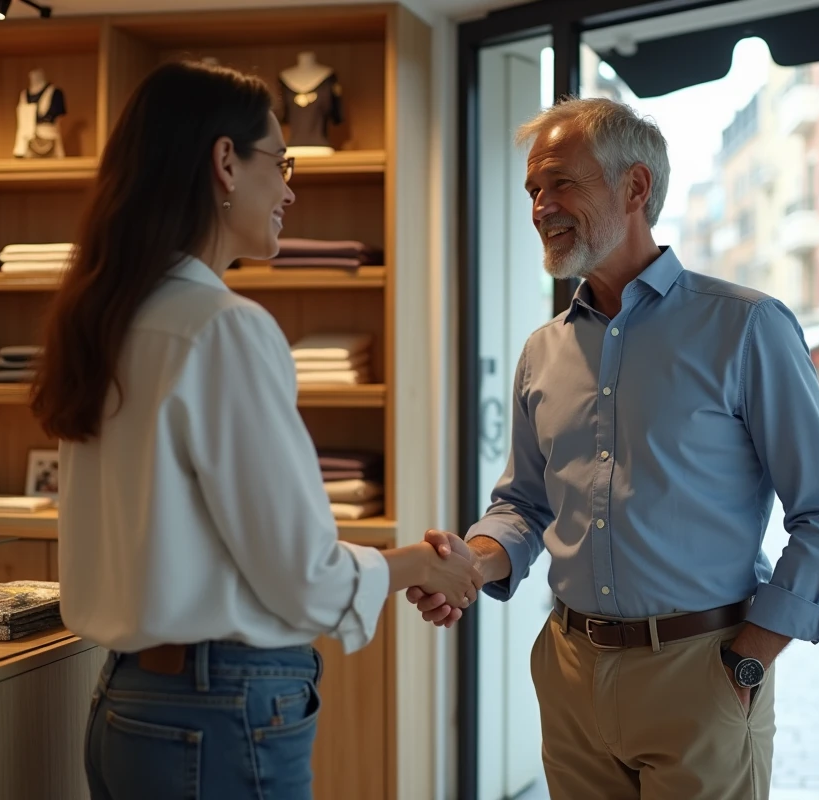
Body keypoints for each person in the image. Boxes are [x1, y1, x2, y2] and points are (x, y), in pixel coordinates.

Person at [29, 61, 482, 800]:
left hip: (128, 704)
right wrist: (419, 565)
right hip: (218, 708)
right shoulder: (222, 328)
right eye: (282, 161)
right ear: (226, 162)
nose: (291, 188)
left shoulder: (107, 321)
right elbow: (303, 577)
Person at [408, 97, 819, 799]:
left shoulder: (746, 327)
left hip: (702, 671)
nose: (541, 206)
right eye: (532, 189)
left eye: (560, 183)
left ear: (636, 188)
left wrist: (749, 659)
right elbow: (523, 504)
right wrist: (476, 559)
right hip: (568, 670)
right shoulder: (543, 350)